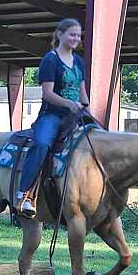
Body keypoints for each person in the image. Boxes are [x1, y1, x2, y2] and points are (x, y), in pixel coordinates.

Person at [16, 18, 89, 218]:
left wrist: (87, 110)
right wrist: (69, 104)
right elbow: (47, 93)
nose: (76, 38)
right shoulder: (50, 59)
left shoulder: (79, 62)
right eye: (72, 34)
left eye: (78, 35)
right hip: (52, 115)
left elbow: (82, 92)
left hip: (76, 116)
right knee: (41, 145)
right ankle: (24, 194)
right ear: (60, 34)